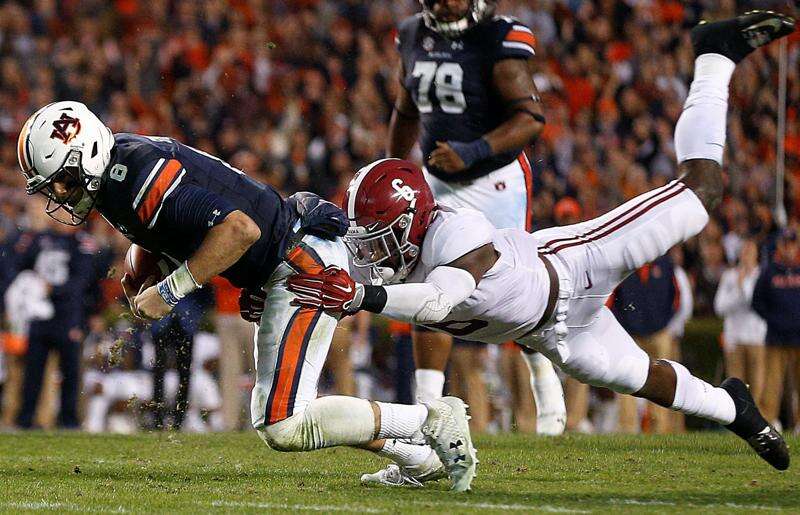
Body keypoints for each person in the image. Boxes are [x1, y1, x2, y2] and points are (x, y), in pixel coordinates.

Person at [288, 12, 795, 485]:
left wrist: (359, 297)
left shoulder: (456, 230)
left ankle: (713, 58)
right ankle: (737, 409)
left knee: (700, 195)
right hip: (557, 333)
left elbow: (437, 301)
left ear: (411, 221)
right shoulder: (391, 247)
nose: (375, 254)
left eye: (382, 239)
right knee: (645, 380)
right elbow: (331, 267)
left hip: (579, 263)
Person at [17, 105, 475, 490]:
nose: (60, 193)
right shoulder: (121, 169)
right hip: (279, 263)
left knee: (282, 421)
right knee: (282, 417)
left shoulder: (134, 179)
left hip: (298, 263)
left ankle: (428, 420)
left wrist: (170, 290)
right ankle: (419, 460)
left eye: (64, 178)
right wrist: (147, 258)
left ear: (90, 153)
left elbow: (239, 229)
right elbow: (174, 222)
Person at [387, 0, 566, 434]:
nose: (447, 3)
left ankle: (546, 388)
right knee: (427, 283)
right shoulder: (413, 33)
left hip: (496, 179)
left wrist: (471, 152)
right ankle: (427, 406)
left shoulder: (495, 37)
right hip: (438, 180)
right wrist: (394, 167)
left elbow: (531, 118)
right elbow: (407, 110)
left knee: (519, 285)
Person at [752, 227, 800, 430]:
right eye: (785, 244)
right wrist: (773, 320)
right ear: (780, 246)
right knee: (771, 384)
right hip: (776, 338)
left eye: (792, 244)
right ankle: (768, 423)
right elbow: (756, 302)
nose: (789, 248)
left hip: (799, 337)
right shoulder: (769, 271)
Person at [714, 239, 766, 410]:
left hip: (757, 338)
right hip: (734, 339)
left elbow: (755, 302)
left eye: (750, 252)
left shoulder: (762, 276)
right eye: (744, 252)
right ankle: (738, 423)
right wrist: (738, 288)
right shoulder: (730, 276)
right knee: (736, 386)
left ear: (757, 254)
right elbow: (719, 307)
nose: (747, 256)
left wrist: (742, 284)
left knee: (758, 385)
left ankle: (758, 424)